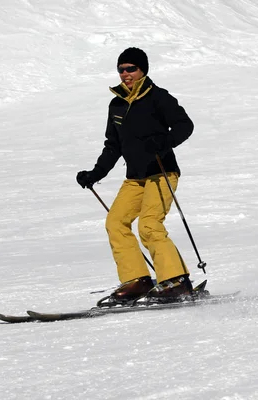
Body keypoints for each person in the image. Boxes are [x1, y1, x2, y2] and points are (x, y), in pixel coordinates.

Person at [76, 47, 195, 304]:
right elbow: (113, 146)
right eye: (121, 69)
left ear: (143, 70)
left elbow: (185, 125)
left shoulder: (158, 97)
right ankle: (137, 281)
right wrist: (94, 174)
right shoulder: (116, 105)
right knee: (115, 222)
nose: (125, 74)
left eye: (131, 69)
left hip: (162, 173)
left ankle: (176, 281)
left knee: (149, 225)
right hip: (135, 177)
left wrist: (163, 143)